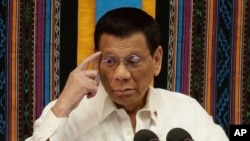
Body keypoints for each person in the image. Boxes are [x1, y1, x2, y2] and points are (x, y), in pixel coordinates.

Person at [26, 7, 229, 141]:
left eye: (133, 61)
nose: (120, 74)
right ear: (96, 59)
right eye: (110, 61)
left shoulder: (186, 111)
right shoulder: (68, 115)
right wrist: (62, 106)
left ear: (157, 60)